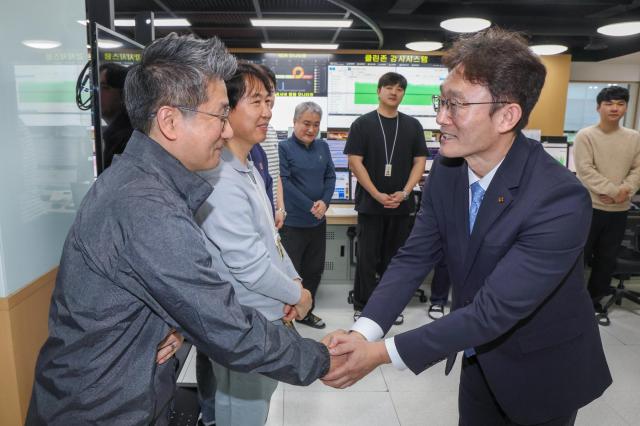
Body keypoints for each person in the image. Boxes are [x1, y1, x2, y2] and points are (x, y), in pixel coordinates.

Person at [26, 34, 334, 426]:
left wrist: (162, 327)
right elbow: (226, 326)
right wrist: (324, 359)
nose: (226, 132)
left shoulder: (143, 182)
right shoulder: (146, 207)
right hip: (102, 409)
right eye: (219, 116)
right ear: (170, 121)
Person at [322, 27, 612, 426]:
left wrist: (381, 354)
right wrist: (363, 334)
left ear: (507, 115)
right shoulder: (448, 170)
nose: (441, 117)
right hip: (478, 358)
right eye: (442, 101)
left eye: (456, 105)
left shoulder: (558, 198)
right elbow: (413, 257)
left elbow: (494, 310)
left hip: (543, 370)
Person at [195, 62, 312, 426]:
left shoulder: (245, 168)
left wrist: (294, 280)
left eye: (269, 101)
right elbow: (249, 265)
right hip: (247, 318)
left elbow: (270, 240)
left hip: (258, 312)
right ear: (226, 109)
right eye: (256, 102)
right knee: (245, 405)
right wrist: (297, 295)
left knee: (238, 400)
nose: (267, 112)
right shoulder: (221, 178)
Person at [344, 72, 427, 325]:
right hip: (370, 204)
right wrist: (376, 194)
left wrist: (405, 192)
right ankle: (363, 305)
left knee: (394, 260)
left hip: (401, 205)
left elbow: (420, 162)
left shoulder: (413, 125)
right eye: (389, 87)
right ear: (379, 91)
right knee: (367, 258)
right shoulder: (362, 124)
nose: (394, 92)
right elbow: (355, 162)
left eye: (399, 89)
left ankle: (389, 308)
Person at [574, 85, 640, 313]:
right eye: (609, 103)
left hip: (619, 210)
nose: (614, 108)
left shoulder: (634, 137)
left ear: (626, 108)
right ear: (598, 107)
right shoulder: (586, 135)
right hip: (590, 207)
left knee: (606, 259)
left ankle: (594, 301)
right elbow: (585, 170)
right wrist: (614, 191)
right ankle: (573, 302)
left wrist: (624, 191)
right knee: (580, 257)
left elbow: (637, 169)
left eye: (620, 104)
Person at [279, 102, 336, 329]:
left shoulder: (323, 146)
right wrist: (310, 205)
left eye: (316, 124)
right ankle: (287, 319)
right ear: (294, 122)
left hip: (317, 223)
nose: (311, 129)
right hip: (293, 224)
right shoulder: (284, 148)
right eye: (306, 123)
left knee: (314, 270)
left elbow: (330, 177)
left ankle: (305, 313)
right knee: (292, 274)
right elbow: (284, 182)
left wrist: (325, 202)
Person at [99, 62, 134, 169]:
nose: (98, 94)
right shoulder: (112, 134)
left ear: (123, 93)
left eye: (104, 87)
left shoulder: (127, 137)